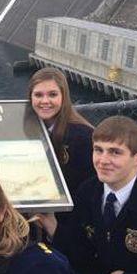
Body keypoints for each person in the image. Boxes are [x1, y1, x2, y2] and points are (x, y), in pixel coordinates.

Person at [37, 116, 137, 274]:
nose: (103, 160)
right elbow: (81, 249)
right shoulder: (88, 191)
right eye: (98, 150)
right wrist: (53, 227)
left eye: (115, 152)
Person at [29, 67, 95, 197]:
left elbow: (89, 186)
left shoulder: (83, 137)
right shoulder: (29, 127)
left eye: (53, 94)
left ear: (64, 96)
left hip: (69, 211)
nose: (45, 101)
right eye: (38, 95)